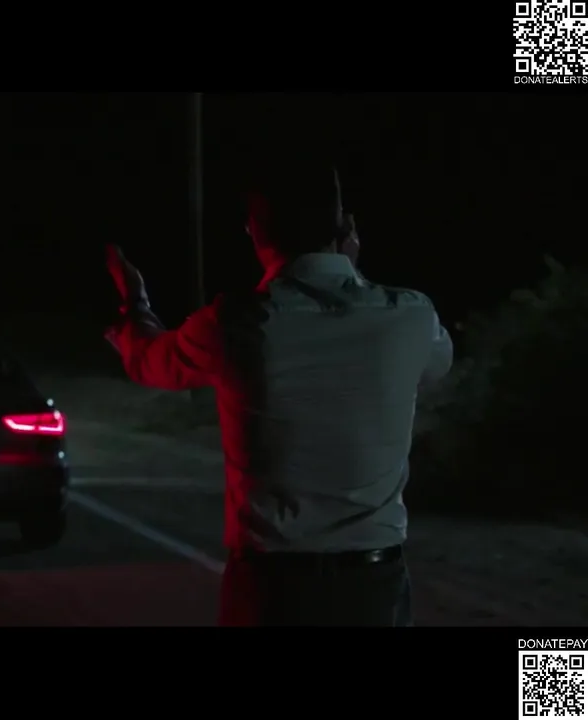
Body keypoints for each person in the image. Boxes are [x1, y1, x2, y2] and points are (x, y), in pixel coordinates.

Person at [104, 165, 453, 626]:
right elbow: (436, 365)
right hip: (374, 584)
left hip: (273, 588)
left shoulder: (235, 323)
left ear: (255, 232)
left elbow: (149, 361)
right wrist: (349, 268)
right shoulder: (410, 317)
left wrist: (135, 303)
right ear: (345, 226)